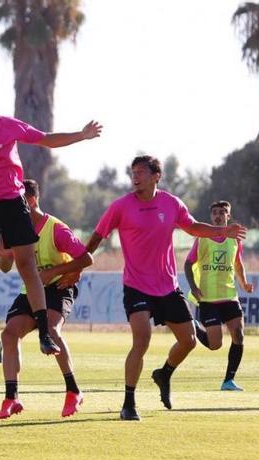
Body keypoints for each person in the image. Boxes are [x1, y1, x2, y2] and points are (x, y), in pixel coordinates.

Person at [0, 85, 101, 366]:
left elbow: (46, 139)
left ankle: (44, 332)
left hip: (12, 202)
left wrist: (82, 135)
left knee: (26, 265)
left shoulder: (7, 126)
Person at [86, 156, 246, 420]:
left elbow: (194, 227)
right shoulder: (120, 206)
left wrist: (223, 231)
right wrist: (79, 263)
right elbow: (96, 237)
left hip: (168, 286)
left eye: (140, 172)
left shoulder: (171, 203)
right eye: (132, 172)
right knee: (142, 340)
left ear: (156, 176)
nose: (135, 176)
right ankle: (128, 403)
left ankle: (164, 373)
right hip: (136, 286)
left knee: (189, 341)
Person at [0, 179, 93, 419]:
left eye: (15, 202)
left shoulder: (56, 229)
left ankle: (73, 391)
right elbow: (5, 266)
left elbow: (87, 259)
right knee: (9, 334)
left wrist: (55, 271)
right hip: (31, 289)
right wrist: (5, 252)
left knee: (50, 328)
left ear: (31, 201)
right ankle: (11, 397)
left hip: (59, 287)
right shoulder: (12, 229)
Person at [184, 200, 254, 391]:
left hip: (230, 296)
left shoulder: (235, 240)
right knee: (215, 345)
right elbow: (188, 264)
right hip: (208, 299)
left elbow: (238, 264)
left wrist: (244, 283)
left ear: (228, 216)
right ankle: (194, 327)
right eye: (214, 212)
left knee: (238, 335)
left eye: (222, 212)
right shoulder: (202, 238)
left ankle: (228, 381)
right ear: (211, 217)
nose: (218, 215)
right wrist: (193, 287)